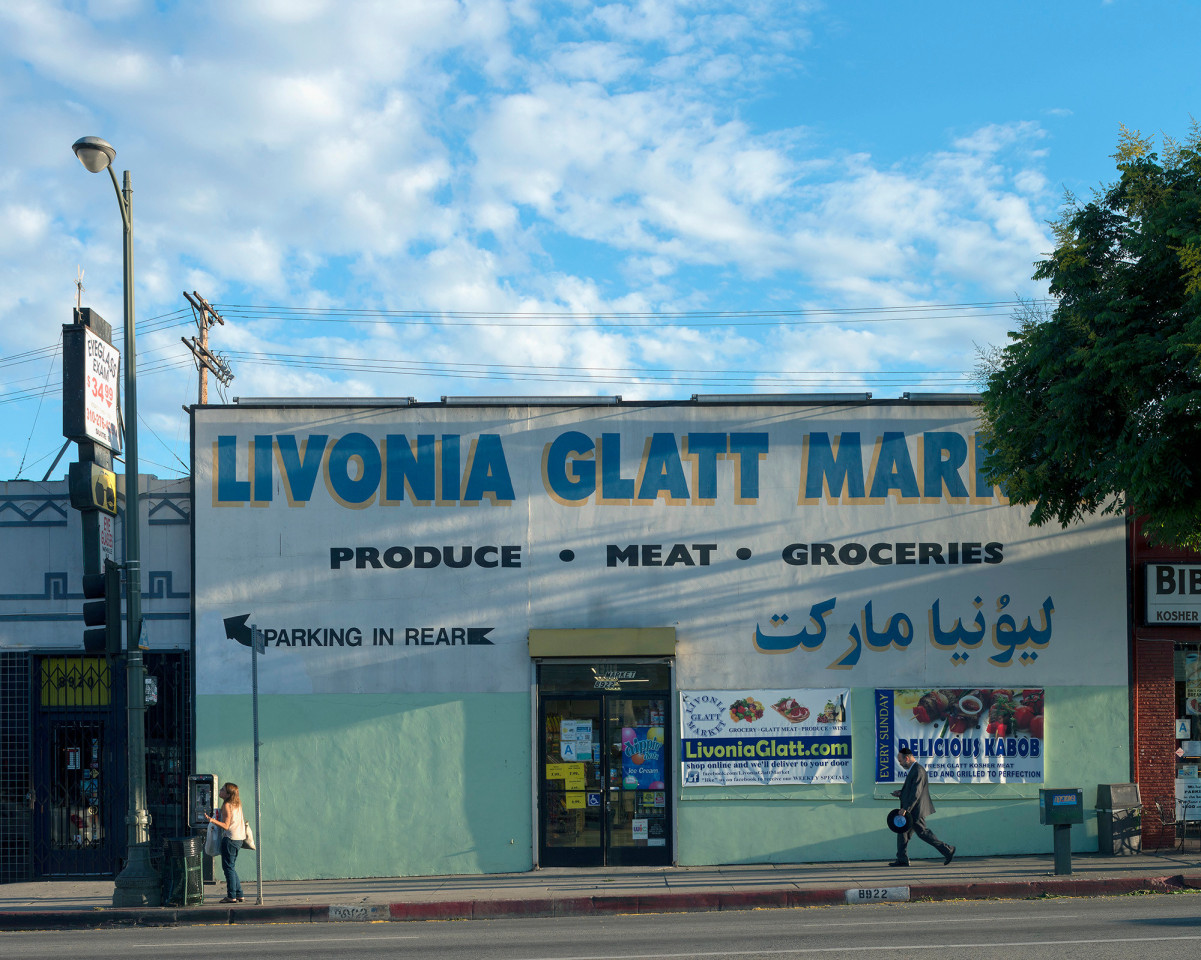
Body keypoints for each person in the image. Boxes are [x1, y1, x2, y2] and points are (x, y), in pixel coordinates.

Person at [889, 747, 955, 867]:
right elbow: (912, 790)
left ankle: (947, 849)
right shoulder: (914, 770)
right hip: (911, 809)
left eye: (901, 761)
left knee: (923, 833)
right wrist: (901, 793)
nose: (900, 763)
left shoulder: (918, 770)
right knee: (902, 832)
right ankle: (902, 859)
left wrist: (906, 809)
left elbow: (916, 793)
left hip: (915, 810)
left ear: (907, 758)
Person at [206, 781, 246, 902]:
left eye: (222, 790)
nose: (220, 791)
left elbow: (226, 825)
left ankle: (231, 896)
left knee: (228, 868)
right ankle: (239, 894)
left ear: (228, 794)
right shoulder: (237, 804)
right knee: (231, 867)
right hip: (239, 838)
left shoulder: (227, 805)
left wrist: (211, 820)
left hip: (230, 839)